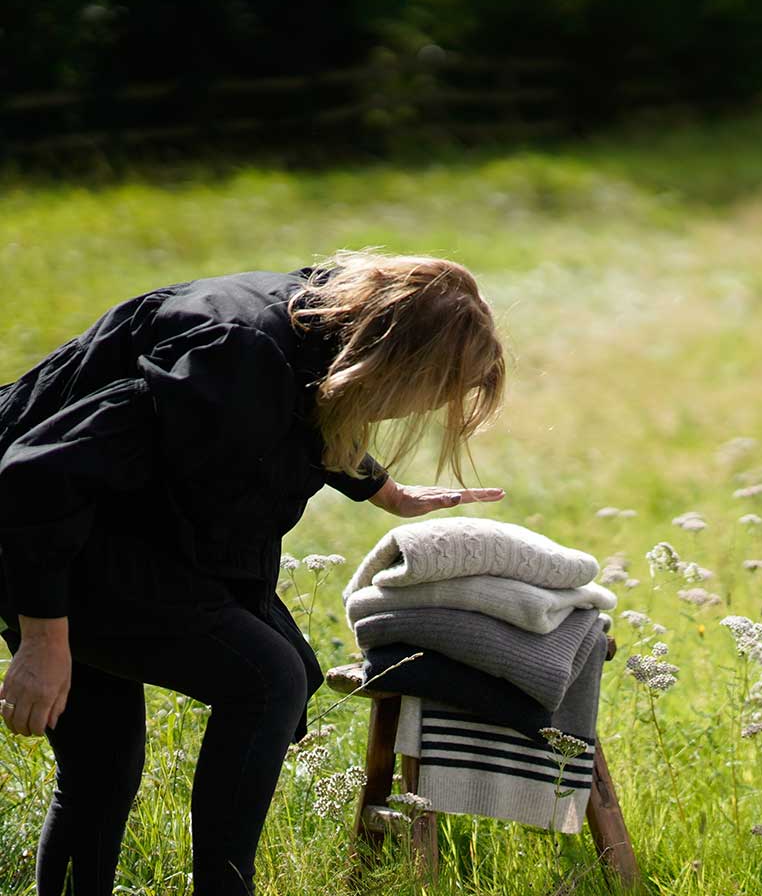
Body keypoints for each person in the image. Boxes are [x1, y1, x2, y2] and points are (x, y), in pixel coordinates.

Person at [0, 251, 507, 896]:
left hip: (110, 532)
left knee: (102, 764)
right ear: (391, 359)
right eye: (420, 395)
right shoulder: (233, 358)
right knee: (266, 677)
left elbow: (314, 409)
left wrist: (387, 492)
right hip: (50, 536)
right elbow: (38, 474)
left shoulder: (316, 322)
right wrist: (45, 642)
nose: (406, 415)